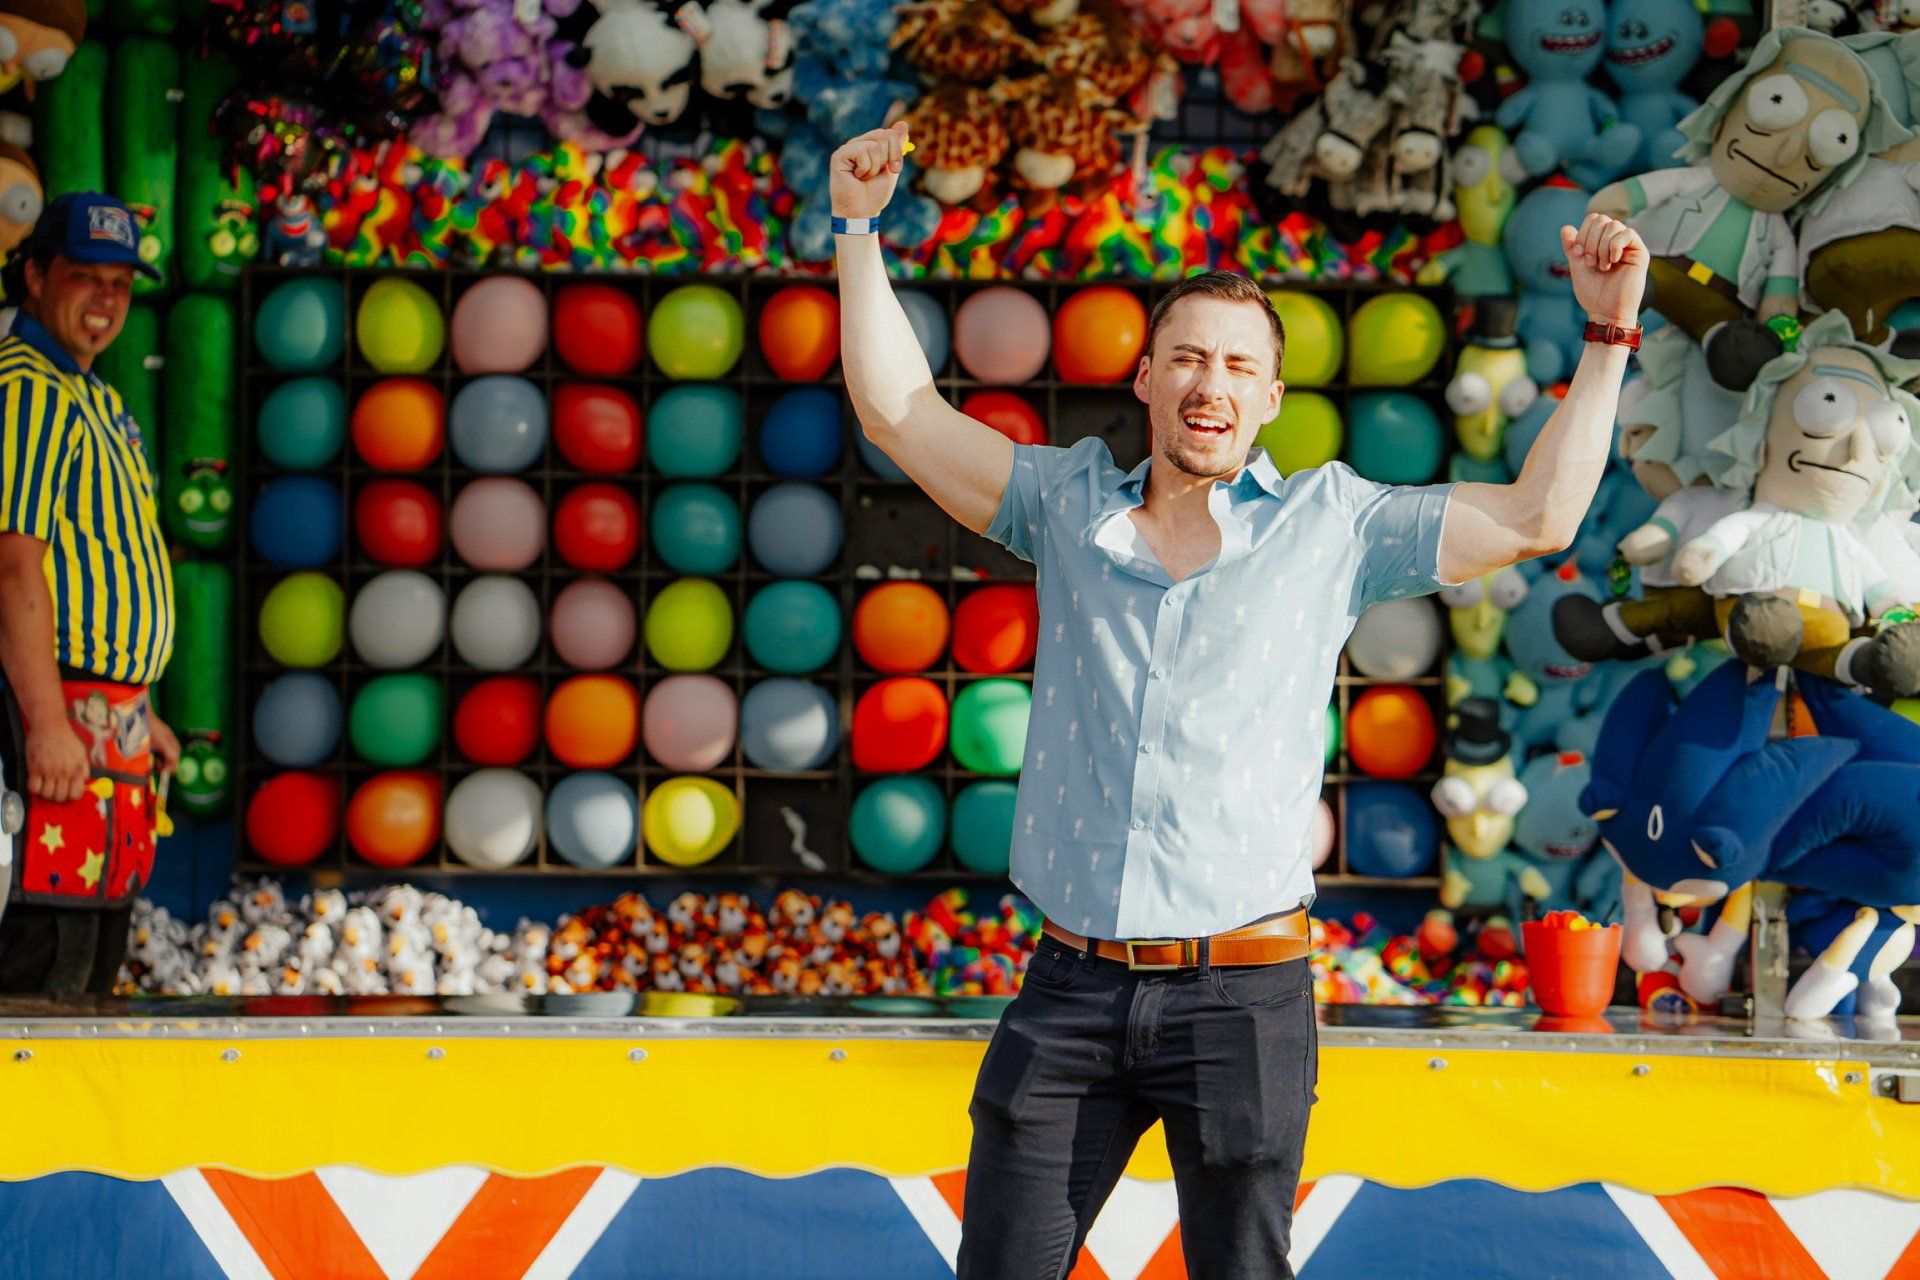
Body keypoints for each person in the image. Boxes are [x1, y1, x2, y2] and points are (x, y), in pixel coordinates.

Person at [830, 122, 1647, 1278]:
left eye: (1235, 366)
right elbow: (899, 414)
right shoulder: (1065, 504)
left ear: (1269, 396)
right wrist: (857, 230)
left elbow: (1538, 518)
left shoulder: (1335, 523)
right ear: (1146, 378)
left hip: (1243, 993)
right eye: (1187, 358)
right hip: (1067, 987)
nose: (1209, 383)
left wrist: (1610, 333)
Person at [0, 192, 177, 995]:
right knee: (45, 976)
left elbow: (96, 563)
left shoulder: (95, 397)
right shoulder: (28, 384)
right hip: (56, 724)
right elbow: (14, 564)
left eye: (120, 284)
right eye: (84, 278)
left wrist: (143, 713)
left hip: (108, 724)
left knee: (91, 967)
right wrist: (43, 722)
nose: (105, 302)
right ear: (35, 276)